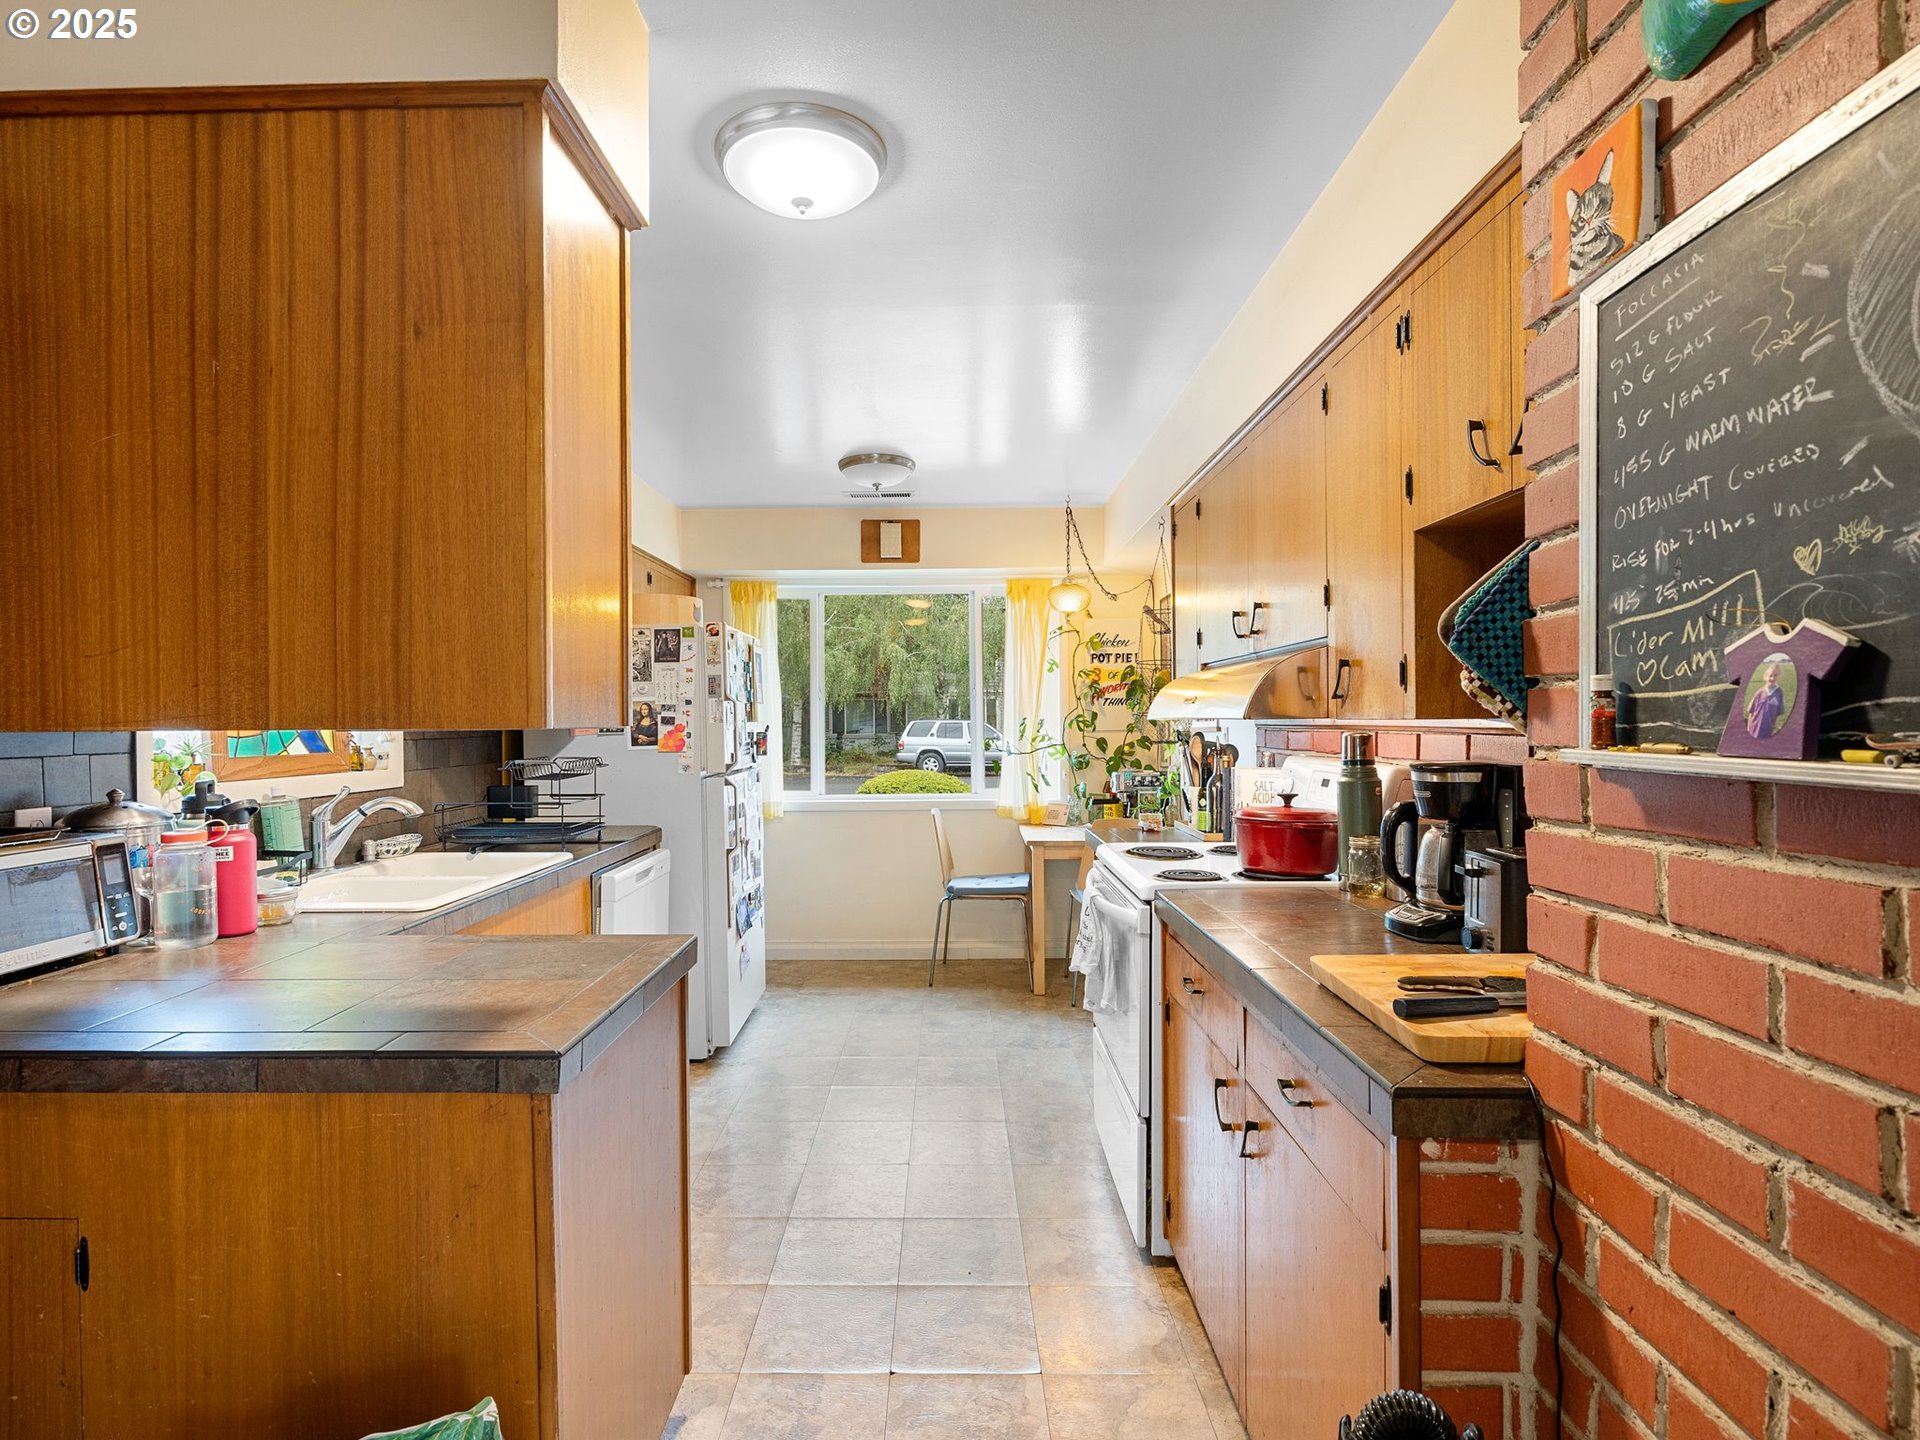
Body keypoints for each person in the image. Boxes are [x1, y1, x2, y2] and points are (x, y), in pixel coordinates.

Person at [1745, 663, 1786, 739]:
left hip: (1768, 729)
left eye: (1775, 675)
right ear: (1766, 676)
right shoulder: (1759, 693)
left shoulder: (1779, 693)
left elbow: (1778, 712)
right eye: (1770, 675)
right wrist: (1748, 729)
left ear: (1779, 676)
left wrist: (1774, 727)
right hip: (1754, 728)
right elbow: (1751, 712)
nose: (1772, 678)